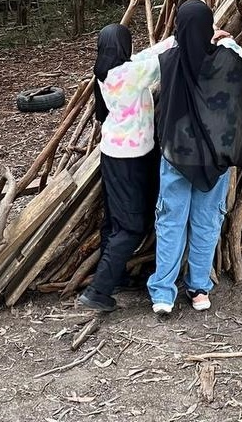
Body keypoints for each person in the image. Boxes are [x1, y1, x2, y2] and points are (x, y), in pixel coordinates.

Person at [147, 0, 242, 315]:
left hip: (176, 157)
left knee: (170, 222)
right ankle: (199, 290)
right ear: (209, 28)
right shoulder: (226, 59)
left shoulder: (167, 60)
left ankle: (163, 294)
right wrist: (227, 39)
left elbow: (139, 70)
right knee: (207, 223)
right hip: (213, 160)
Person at [79, 23, 174, 312]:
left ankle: (116, 275)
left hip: (114, 155)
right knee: (131, 226)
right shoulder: (128, 75)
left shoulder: (107, 71)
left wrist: (174, 37)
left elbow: (145, 56)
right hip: (129, 160)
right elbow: (158, 62)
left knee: (114, 221)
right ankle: (98, 291)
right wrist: (187, 37)